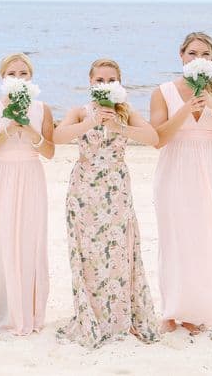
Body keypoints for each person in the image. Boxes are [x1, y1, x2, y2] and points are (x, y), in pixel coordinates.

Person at [54, 58, 160, 349]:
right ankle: (90, 316)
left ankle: (118, 317)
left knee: (118, 252)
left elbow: (153, 137)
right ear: (90, 82)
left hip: (116, 190)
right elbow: (57, 136)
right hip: (84, 189)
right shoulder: (79, 111)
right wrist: (91, 122)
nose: (104, 85)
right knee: (87, 254)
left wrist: (119, 126)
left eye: (110, 80)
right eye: (99, 80)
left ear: (119, 83)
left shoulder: (126, 112)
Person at [150, 32, 212, 335]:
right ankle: (171, 309)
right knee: (174, 237)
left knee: (203, 237)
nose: (198, 59)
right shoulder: (163, 91)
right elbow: (158, 139)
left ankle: (196, 309)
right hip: (175, 166)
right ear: (181, 56)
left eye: (205, 54)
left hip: (208, 166)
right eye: (192, 53)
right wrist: (185, 110)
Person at [0, 52, 55, 336]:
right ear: (2, 78)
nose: (18, 78)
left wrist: (31, 131)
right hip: (2, 177)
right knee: (3, 242)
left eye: (23, 74)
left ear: (31, 78)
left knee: (30, 242)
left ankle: (32, 313)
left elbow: (49, 151)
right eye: (12, 74)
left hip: (31, 176)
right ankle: (6, 313)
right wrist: (8, 129)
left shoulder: (42, 109)